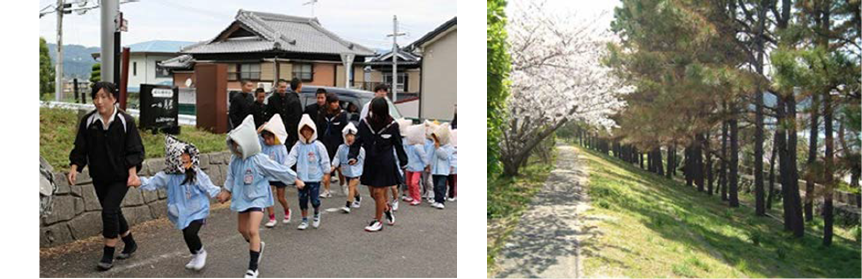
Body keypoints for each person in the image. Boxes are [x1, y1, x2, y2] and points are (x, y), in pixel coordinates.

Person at [68, 81, 145, 271]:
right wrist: (74, 167)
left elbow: (134, 150)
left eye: (104, 97)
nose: (99, 101)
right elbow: (81, 147)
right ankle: (129, 242)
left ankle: (108, 254)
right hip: (100, 175)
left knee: (108, 210)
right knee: (113, 210)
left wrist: (132, 174)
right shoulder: (88, 122)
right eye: (96, 97)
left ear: (113, 99)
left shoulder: (125, 121)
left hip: (121, 176)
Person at [221, 115, 303, 278]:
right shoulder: (234, 160)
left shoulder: (259, 159)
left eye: (238, 144)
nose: (236, 148)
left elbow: (277, 169)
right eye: (234, 144)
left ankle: (253, 268)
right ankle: (257, 245)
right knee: (242, 230)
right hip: (242, 197)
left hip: (258, 197)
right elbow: (231, 176)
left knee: (253, 230)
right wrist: (226, 191)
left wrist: (294, 179)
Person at [133, 136, 225, 271]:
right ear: (174, 158)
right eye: (183, 155)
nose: (186, 158)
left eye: (188, 155)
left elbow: (206, 184)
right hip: (182, 211)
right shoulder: (168, 176)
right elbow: (153, 182)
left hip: (198, 209)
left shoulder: (194, 172)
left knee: (191, 233)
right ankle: (195, 255)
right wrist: (139, 182)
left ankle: (201, 252)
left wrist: (218, 194)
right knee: (186, 234)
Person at [348, 97, 408, 232]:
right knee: (373, 194)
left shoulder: (392, 125)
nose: (372, 114)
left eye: (375, 112)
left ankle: (377, 221)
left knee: (378, 192)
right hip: (370, 161)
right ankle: (386, 209)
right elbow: (358, 141)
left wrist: (403, 162)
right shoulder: (365, 123)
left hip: (385, 162)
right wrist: (353, 156)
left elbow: (398, 144)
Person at [285, 114, 331, 230]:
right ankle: (304, 220)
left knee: (314, 200)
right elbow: (291, 158)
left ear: (313, 131)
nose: (306, 133)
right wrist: (284, 168)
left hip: (314, 177)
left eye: (308, 130)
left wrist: (326, 173)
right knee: (302, 200)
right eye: (303, 130)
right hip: (301, 178)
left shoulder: (318, 146)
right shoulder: (298, 146)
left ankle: (316, 214)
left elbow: (325, 160)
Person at [257, 114, 292, 228]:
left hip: (279, 176)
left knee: (280, 197)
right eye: (265, 138)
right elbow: (255, 136)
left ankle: (287, 210)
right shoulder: (263, 145)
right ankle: (272, 217)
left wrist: (286, 175)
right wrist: (263, 126)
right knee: (267, 196)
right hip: (267, 175)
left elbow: (285, 163)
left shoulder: (281, 148)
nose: (267, 141)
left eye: (269, 138)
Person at [318, 92, 348, 198]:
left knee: (340, 168)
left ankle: (343, 184)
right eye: (333, 103)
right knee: (327, 166)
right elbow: (320, 128)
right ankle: (326, 190)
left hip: (338, 144)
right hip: (326, 144)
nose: (336, 104)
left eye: (337, 102)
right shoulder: (322, 113)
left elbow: (344, 130)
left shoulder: (342, 115)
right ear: (328, 103)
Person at [331, 123, 365, 213]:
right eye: (347, 136)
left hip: (356, 170)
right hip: (346, 171)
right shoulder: (341, 148)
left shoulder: (360, 149)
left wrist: (356, 162)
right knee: (352, 187)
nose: (349, 138)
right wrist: (334, 166)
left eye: (352, 135)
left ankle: (348, 205)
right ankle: (357, 197)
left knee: (351, 186)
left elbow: (362, 159)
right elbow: (337, 157)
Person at [265, 78, 303, 148]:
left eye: (284, 87)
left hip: (288, 130)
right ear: (277, 87)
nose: (283, 89)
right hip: (277, 129)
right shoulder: (272, 99)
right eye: (281, 87)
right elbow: (269, 116)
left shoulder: (289, 98)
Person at [429, 123, 456, 209]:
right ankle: (436, 200)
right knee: (435, 186)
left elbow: (444, 156)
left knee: (441, 186)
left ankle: (441, 201)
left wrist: (438, 148)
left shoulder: (449, 147)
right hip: (435, 170)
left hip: (443, 171)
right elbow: (430, 155)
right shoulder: (434, 146)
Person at [403, 124, 428, 205]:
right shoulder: (408, 145)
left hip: (417, 167)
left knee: (414, 183)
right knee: (409, 182)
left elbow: (423, 156)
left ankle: (417, 198)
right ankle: (411, 196)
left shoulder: (418, 147)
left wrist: (426, 164)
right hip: (409, 166)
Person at [447, 129, 458, 201]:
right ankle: (453, 194)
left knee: (452, 180)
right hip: (452, 164)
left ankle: (453, 194)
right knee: (452, 180)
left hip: (453, 164)